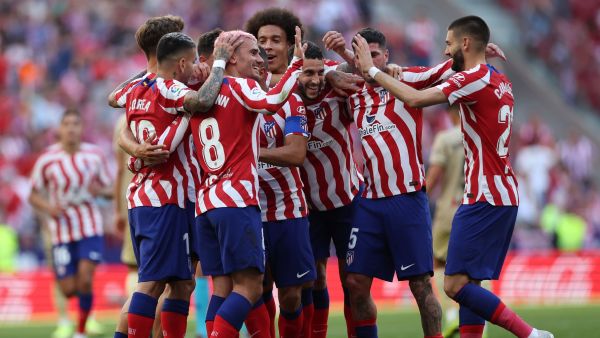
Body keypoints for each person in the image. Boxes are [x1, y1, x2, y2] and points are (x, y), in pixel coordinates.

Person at [352, 15, 554, 338]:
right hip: (502, 194)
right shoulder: (499, 79)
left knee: (454, 284)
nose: (445, 52)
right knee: (470, 282)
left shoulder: (470, 81)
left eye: (447, 44)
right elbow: (432, 74)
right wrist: (391, 71)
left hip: (483, 195)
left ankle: (530, 334)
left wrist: (373, 71)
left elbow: (416, 98)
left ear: (464, 43)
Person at [110, 31, 242, 338]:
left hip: (160, 197)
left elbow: (111, 97)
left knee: (182, 283)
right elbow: (202, 100)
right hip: (164, 197)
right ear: (181, 62)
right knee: (152, 283)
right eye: (193, 59)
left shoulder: (137, 87)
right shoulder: (170, 88)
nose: (197, 64)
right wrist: (219, 61)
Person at [190, 28, 305, 338]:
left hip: (206, 205)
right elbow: (275, 100)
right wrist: (296, 63)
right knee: (251, 287)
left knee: (223, 289)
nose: (261, 58)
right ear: (231, 58)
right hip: (237, 202)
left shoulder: (199, 94)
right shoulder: (239, 86)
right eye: (253, 52)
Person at [341, 27, 449, 338]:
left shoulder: (406, 79)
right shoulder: (354, 93)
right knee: (355, 282)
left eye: (374, 54)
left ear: (386, 56)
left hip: (407, 198)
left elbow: (443, 70)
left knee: (419, 285)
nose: (368, 60)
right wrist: (342, 56)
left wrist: (474, 56)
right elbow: (325, 76)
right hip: (370, 200)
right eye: (364, 54)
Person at [29, 108, 113, 338]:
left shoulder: (94, 156)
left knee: (86, 280)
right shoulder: (48, 159)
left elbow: (109, 189)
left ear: (81, 128)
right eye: (67, 124)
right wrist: (49, 209)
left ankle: (81, 330)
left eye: (76, 124)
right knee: (68, 289)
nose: (71, 129)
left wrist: (101, 191)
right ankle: (73, 315)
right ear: (60, 129)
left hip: (90, 226)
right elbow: (33, 194)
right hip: (61, 231)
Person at [257, 42, 320, 338]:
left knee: (292, 295)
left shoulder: (290, 103)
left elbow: (297, 154)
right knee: (256, 290)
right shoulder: (230, 101)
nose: (259, 64)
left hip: (288, 209)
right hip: (248, 210)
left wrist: (250, 151)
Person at [426, 105, 464, 337]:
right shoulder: (479, 136)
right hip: (475, 209)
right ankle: (481, 324)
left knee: (439, 263)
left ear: (451, 114)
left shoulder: (445, 139)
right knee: (475, 270)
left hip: (449, 211)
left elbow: (432, 180)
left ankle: (450, 317)